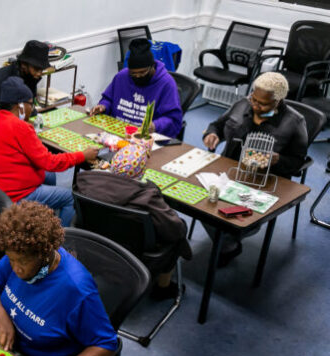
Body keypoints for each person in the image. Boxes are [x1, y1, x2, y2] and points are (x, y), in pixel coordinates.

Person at [0, 202, 118, 356]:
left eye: (23, 263)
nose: (16, 269)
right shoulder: (18, 252)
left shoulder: (77, 289)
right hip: (17, 348)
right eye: (11, 260)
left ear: (44, 253)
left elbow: (106, 344)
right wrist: (2, 318)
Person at [202, 71, 308, 266]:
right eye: (254, 98)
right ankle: (228, 245)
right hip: (229, 172)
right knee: (200, 204)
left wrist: (277, 160)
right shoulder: (242, 104)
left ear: (278, 101)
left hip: (264, 182)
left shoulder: (295, 122)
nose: (255, 105)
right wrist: (212, 134)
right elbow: (216, 125)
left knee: (239, 220)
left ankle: (229, 239)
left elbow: (298, 162)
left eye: (263, 103)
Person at [74, 141, 192, 299]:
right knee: (178, 236)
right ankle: (162, 288)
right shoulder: (148, 197)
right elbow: (175, 230)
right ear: (142, 171)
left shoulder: (85, 182)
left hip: (94, 244)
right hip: (136, 253)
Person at [0, 77, 97, 226]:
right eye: (31, 103)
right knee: (70, 198)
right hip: (15, 194)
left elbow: (45, 164)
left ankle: (45, 219)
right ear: (20, 106)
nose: (33, 108)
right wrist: (82, 155)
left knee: (49, 175)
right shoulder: (20, 127)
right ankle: (62, 240)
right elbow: (50, 162)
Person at [90, 38, 183, 139]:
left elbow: (173, 119)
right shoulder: (122, 76)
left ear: (152, 67)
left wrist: (154, 126)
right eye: (133, 74)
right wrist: (103, 106)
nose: (138, 76)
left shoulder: (166, 83)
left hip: (148, 138)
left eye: (142, 73)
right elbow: (108, 99)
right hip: (119, 134)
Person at [0, 40, 49, 129]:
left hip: (16, 125)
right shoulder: (0, 80)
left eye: (41, 70)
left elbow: (30, 108)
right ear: (24, 64)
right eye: (36, 69)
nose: (39, 73)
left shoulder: (30, 78)